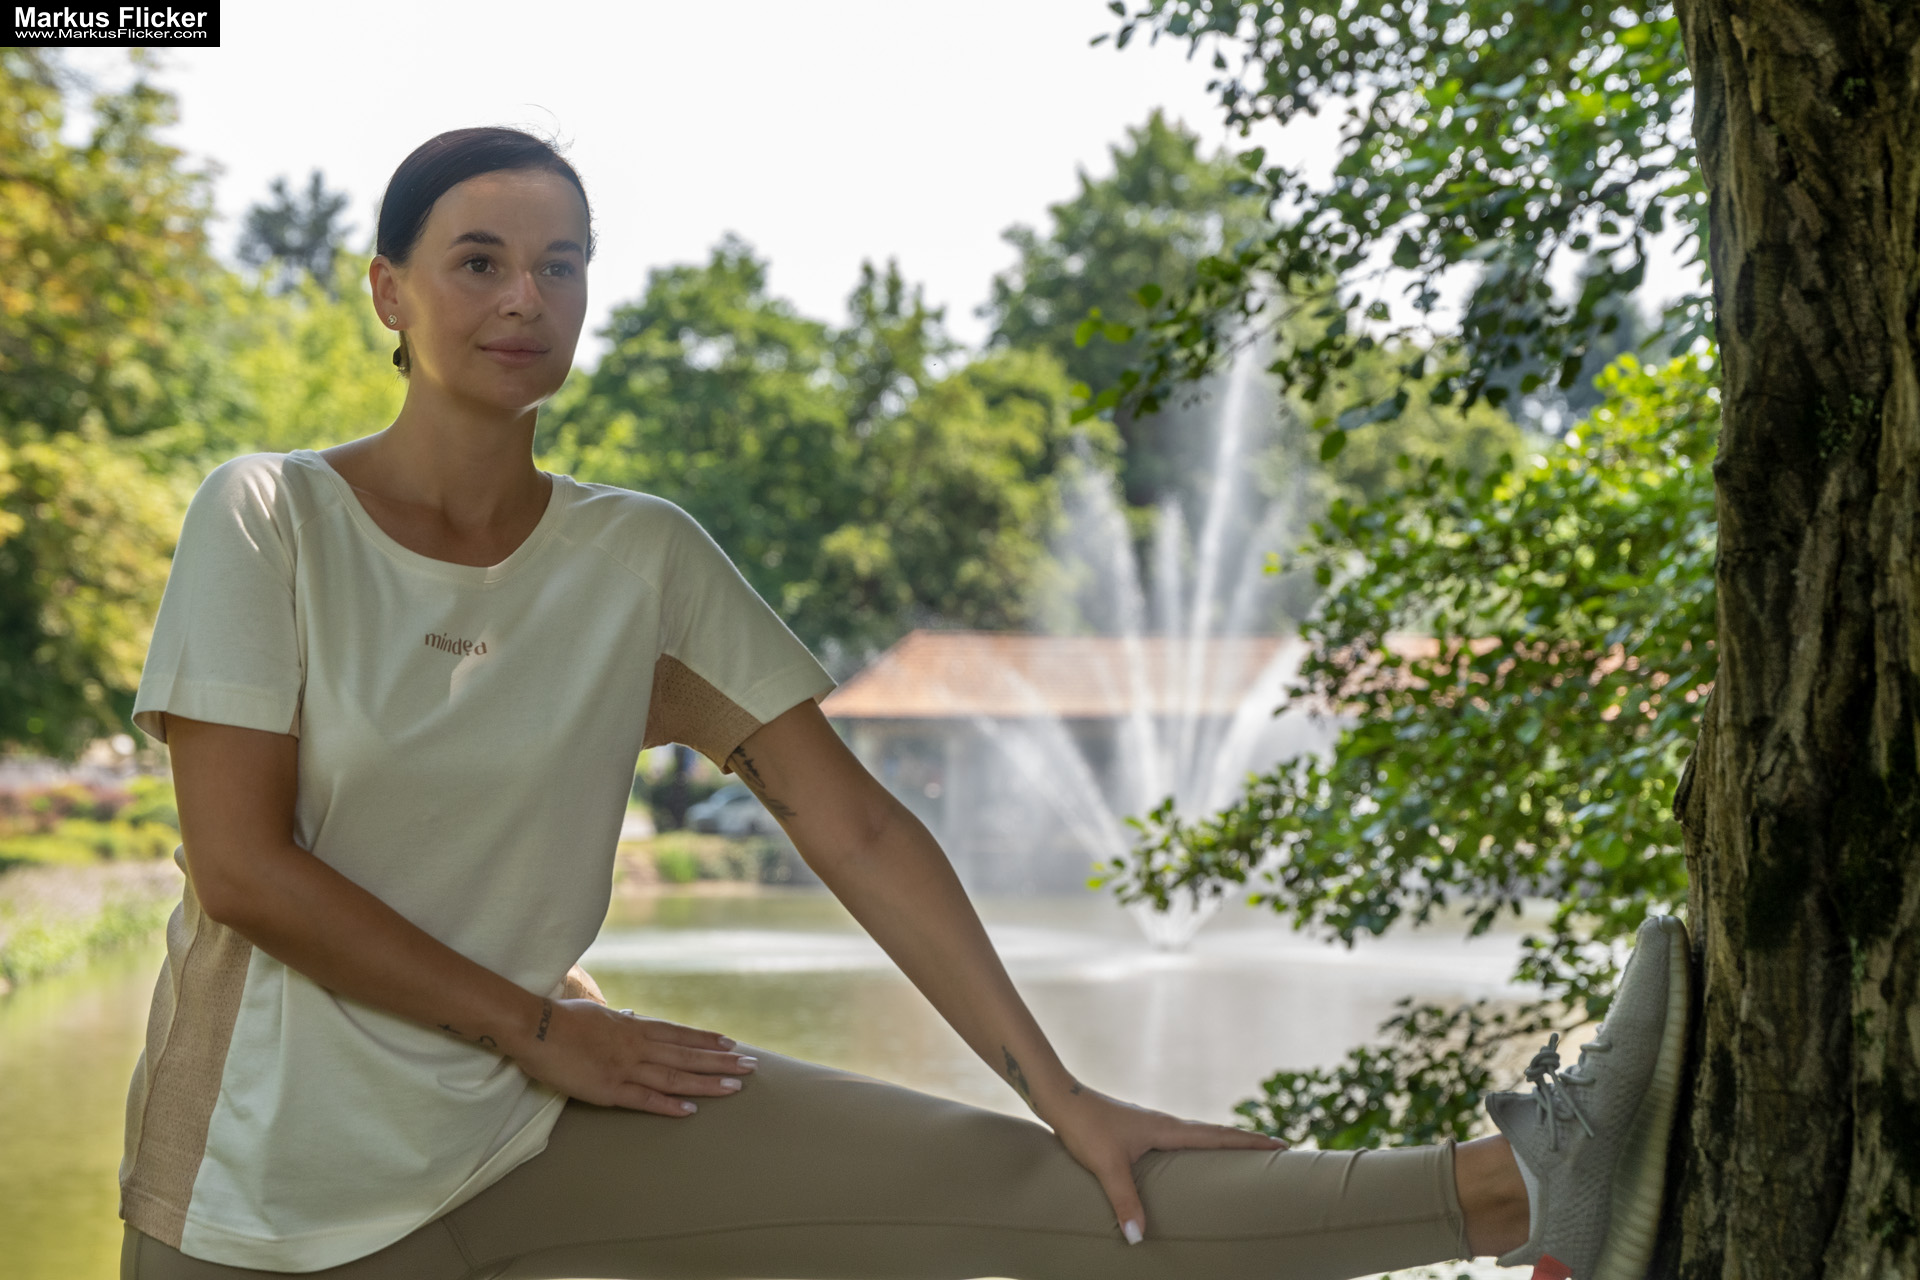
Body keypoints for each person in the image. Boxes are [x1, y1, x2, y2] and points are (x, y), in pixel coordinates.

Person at [117, 127, 1692, 1280]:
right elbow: (242, 870)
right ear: (388, 290)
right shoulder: (269, 518)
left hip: (535, 1117)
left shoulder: (642, 557)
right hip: (262, 1190)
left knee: (1054, 1184)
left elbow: (856, 827)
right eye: (479, 260)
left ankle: (1522, 1193)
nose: (527, 295)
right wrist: (544, 1030)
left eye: (564, 262)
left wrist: (1058, 1085)